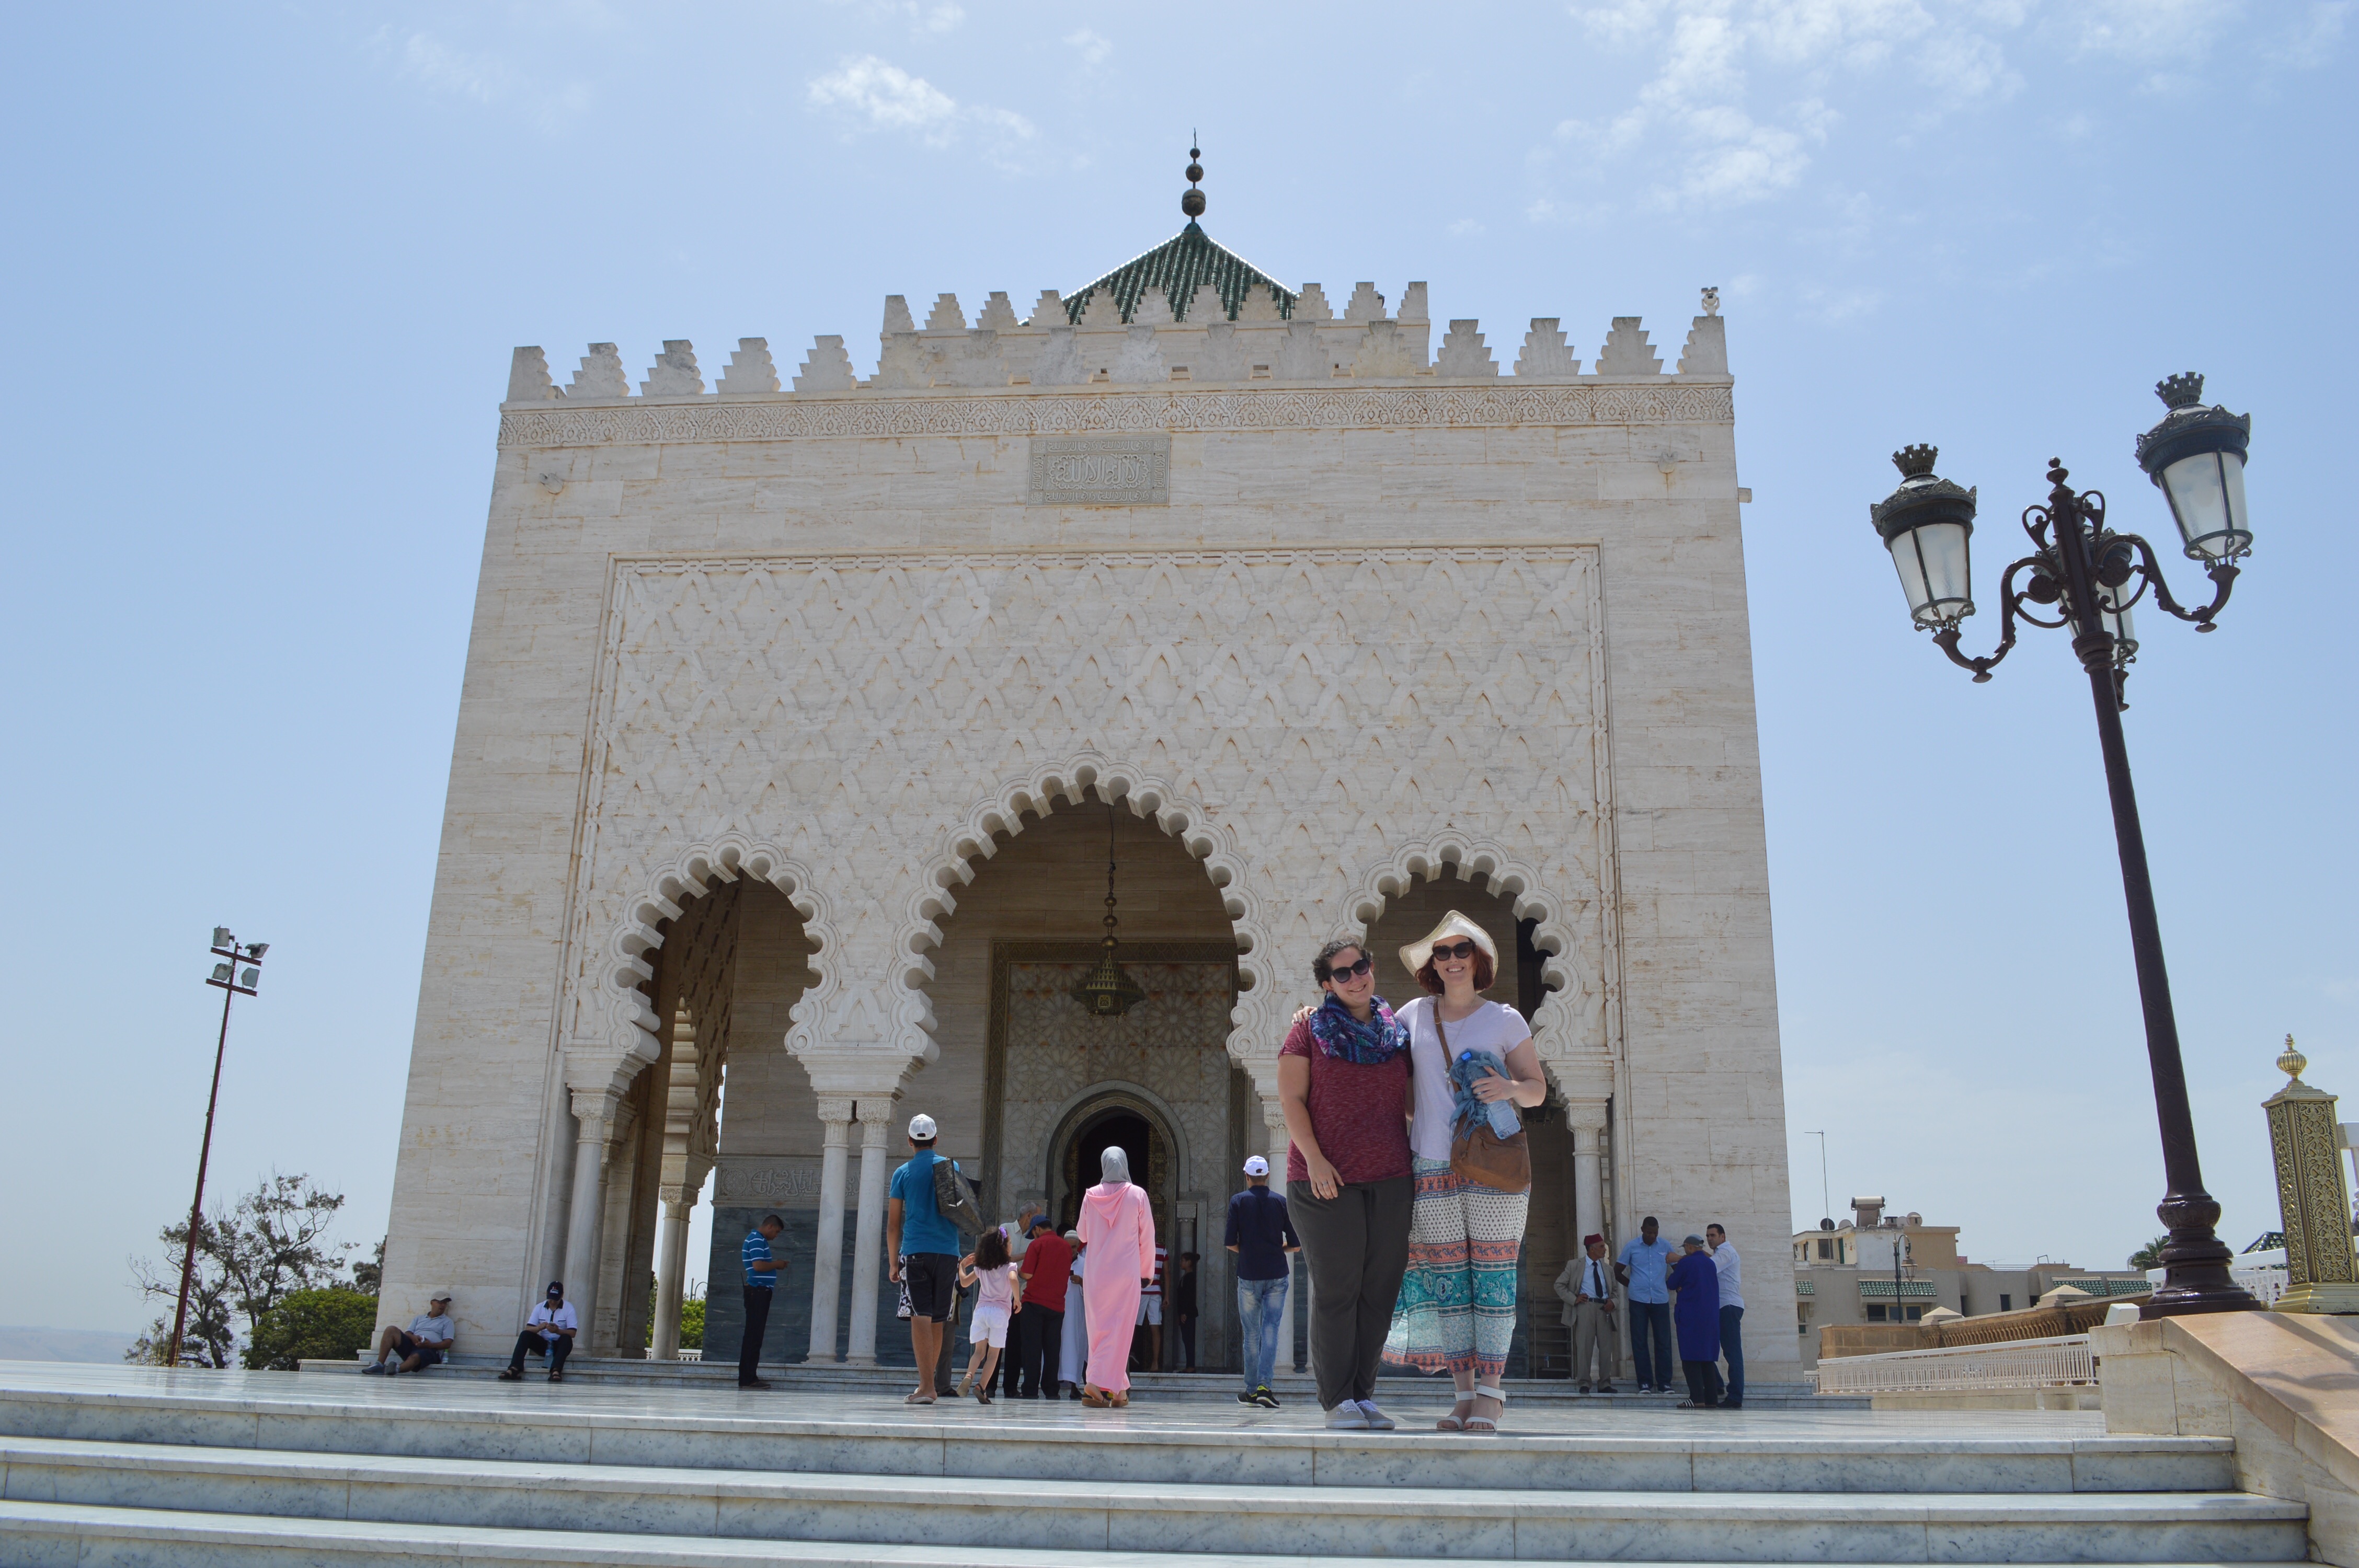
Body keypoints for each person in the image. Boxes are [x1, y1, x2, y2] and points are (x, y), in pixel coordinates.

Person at [1382, 913, 1545, 1435]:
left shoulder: (1504, 1019)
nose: (1452, 960)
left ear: (1479, 959)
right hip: (1431, 1162)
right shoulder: (1412, 1015)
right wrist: (1310, 1015)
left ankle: (1491, 1396)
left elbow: (1537, 1089)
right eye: (1442, 952)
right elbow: (1371, 1044)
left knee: (1493, 1278)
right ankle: (1463, 1397)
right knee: (1449, 1282)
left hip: (1493, 1165)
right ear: (1432, 964)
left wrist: (1510, 1089)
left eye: (1462, 950)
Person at [1280, 936, 1414, 1432]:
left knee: (1379, 1292)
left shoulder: (1395, 1033)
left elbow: (1413, 1102)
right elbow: (1291, 1100)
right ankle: (1337, 1400)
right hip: (1324, 1181)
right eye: (1342, 973)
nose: (1356, 978)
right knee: (1339, 1290)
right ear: (1326, 984)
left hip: (1391, 1179)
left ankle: (1362, 1395)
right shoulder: (1308, 1031)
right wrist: (1315, 1159)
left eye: (1361, 967)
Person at [886, 1113, 966, 1405]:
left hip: (916, 1251)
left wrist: (893, 1262)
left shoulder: (902, 1173)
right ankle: (928, 1384)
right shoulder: (951, 1167)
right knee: (939, 1319)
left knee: (919, 1316)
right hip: (948, 1253)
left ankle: (927, 1387)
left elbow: (893, 1224)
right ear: (936, 1140)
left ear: (910, 1141)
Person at [1077, 1145, 1155, 1407]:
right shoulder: (1138, 1195)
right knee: (1121, 1331)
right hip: (1125, 1274)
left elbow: (1082, 1234)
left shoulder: (1090, 1196)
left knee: (1099, 1331)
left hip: (1096, 1274)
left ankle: (1119, 1391)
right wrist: (1147, 1272)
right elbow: (1147, 1236)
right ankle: (1093, 1383)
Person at [1226, 1152, 1298, 1408]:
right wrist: (1278, 1250)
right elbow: (1296, 1245)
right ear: (1267, 1176)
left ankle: (1251, 1391)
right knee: (1270, 1331)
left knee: (1251, 1335)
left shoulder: (1238, 1201)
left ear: (1247, 1176)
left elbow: (1230, 1243)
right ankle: (1265, 1387)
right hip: (1276, 1275)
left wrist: (1248, 1252)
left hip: (1249, 1275)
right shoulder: (1281, 1202)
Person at [954, 1227, 1018, 1402]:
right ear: (1004, 1248)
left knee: (979, 1352)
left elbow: (964, 1283)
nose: (1011, 1246)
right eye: (1010, 1243)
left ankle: (969, 1375)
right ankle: (981, 1387)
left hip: (981, 1312)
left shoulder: (981, 1268)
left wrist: (962, 1266)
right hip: (999, 1313)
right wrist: (1018, 1299)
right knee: (993, 1355)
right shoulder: (1010, 1267)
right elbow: (1013, 1279)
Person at [1616, 1216, 1676, 1394]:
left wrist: (1669, 1284)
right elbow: (1617, 1271)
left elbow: (1677, 1268)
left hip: (1660, 1299)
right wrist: (1632, 1286)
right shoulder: (1632, 1246)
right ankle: (1644, 1382)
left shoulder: (1665, 1246)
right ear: (1642, 1230)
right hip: (1638, 1301)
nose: (1653, 1236)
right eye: (1649, 1233)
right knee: (1639, 1341)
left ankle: (1665, 1383)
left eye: (1655, 1233)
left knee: (1663, 1342)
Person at [1015, 1213, 1073, 1397]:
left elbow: (1028, 1274)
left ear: (1037, 1229)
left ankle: (1030, 1390)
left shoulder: (1037, 1245)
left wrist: (1018, 1271)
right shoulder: (1066, 1246)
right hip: (1057, 1306)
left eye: (1033, 1233)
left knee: (1032, 1348)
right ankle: (1051, 1390)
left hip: (1034, 1303)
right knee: (1052, 1349)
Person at [1667, 1234, 1724, 1408]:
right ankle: (1711, 1400)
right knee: (1707, 1360)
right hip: (1710, 1318)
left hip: (1690, 1317)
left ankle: (1697, 1398)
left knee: (1690, 1359)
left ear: (1690, 1247)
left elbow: (1672, 1283)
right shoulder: (1710, 1264)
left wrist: (1680, 1284)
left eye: (1685, 1247)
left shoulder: (1686, 1263)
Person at [1555, 1237, 1618, 1393]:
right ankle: (1584, 1382)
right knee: (1584, 1346)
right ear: (1592, 1249)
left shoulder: (1608, 1269)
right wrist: (1574, 1299)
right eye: (1601, 1246)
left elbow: (1616, 1291)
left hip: (1604, 1308)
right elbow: (1559, 1285)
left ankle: (1605, 1383)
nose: (1605, 1249)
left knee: (1606, 1348)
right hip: (1585, 1307)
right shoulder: (1575, 1265)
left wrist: (1614, 1303)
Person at [998, 1203, 1042, 1400]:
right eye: (1037, 1216)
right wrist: (1028, 1254)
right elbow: (1001, 1258)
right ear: (1029, 1216)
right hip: (1000, 1296)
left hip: (1021, 1298)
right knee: (995, 1343)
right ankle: (989, 1387)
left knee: (1015, 1344)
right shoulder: (1004, 1229)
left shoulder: (1035, 1240)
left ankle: (1011, 1388)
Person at [737, 1213, 786, 1389]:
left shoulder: (758, 1239)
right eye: (777, 1232)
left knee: (754, 1335)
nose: (776, 1236)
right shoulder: (757, 1239)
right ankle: (748, 1378)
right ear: (770, 1226)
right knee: (753, 1336)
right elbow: (758, 1266)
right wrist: (777, 1264)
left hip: (759, 1291)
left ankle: (749, 1376)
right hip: (758, 1291)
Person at [498, 1282, 576, 1382]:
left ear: (561, 1296)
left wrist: (558, 1331)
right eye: (551, 1299)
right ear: (547, 1294)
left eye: (555, 1299)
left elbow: (573, 1333)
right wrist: (539, 1328)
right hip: (544, 1345)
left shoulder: (569, 1308)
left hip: (559, 1346)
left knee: (566, 1339)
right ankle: (514, 1368)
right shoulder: (539, 1307)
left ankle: (556, 1370)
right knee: (525, 1335)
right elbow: (528, 1328)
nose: (552, 1302)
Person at [363, 1291, 455, 1376]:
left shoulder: (447, 1322)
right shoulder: (419, 1319)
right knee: (391, 1330)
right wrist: (413, 1338)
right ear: (432, 1303)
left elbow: (448, 1343)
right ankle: (379, 1365)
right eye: (440, 1302)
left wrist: (430, 1345)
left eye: (445, 1303)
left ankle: (396, 1369)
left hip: (430, 1351)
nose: (443, 1305)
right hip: (413, 1345)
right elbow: (408, 1333)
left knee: (415, 1357)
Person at [1707, 1222, 1744, 1410]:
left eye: (1713, 1235)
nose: (1709, 1239)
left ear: (1723, 1237)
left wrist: (1686, 1258)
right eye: (1708, 1236)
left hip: (1728, 1307)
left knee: (1732, 1353)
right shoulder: (1720, 1254)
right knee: (1706, 1346)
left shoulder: (1726, 1252)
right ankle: (1717, 1384)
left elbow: (1708, 1268)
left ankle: (1735, 1396)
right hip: (1721, 1308)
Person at [1057, 1230, 1089, 1398]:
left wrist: (1082, 1282)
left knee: (1077, 1348)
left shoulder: (1086, 1264)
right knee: (1058, 1348)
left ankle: (1075, 1388)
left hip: (1077, 1314)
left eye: (1075, 1247)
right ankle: (1054, 1385)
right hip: (1058, 1313)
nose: (1072, 1251)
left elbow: (1095, 1287)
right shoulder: (1056, 1262)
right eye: (1068, 1247)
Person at [1134, 1239, 1169, 1373]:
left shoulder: (1138, 1247)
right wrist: (1167, 1296)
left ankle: (1131, 1356)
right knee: (1155, 1327)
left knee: (1134, 1326)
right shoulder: (1162, 1249)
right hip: (1156, 1292)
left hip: (1140, 1291)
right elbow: (1167, 1273)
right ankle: (1155, 1363)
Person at [1172, 1252, 1199, 1371]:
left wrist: (1184, 1313)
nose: (1181, 1263)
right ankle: (1189, 1365)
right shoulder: (1186, 1277)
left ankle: (1191, 1366)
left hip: (1188, 1314)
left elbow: (1188, 1297)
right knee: (1186, 1339)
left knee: (1189, 1340)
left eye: (1183, 1261)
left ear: (1189, 1263)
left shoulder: (1190, 1278)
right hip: (1185, 1314)